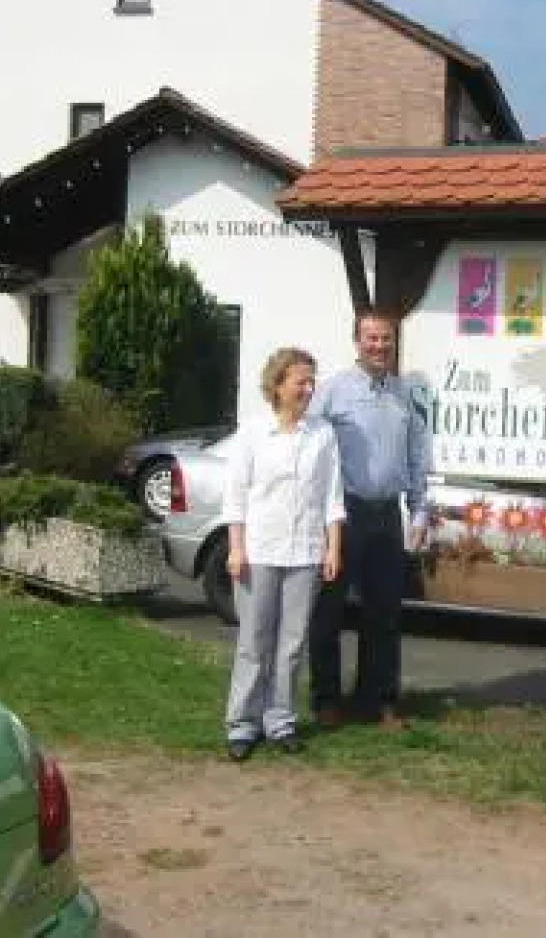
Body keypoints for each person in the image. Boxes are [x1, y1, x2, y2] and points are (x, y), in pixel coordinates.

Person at [308, 311, 431, 732]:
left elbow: (417, 453)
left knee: (385, 614)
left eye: (386, 339)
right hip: (344, 515)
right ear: (357, 342)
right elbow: (310, 450)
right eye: (371, 338)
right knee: (329, 610)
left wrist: (419, 509)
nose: (379, 346)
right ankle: (326, 699)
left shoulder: (404, 395)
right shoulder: (332, 393)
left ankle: (377, 700)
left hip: (386, 515)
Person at [221, 347, 346, 761]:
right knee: (255, 643)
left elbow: (332, 496)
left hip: (305, 553)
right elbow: (236, 496)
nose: (308, 389)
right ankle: (242, 723)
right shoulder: (253, 434)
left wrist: (332, 547)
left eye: (312, 381)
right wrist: (236, 548)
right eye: (300, 382)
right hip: (259, 551)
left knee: (291, 645)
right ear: (278, 386)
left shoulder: (322, 434)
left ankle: (280, 720)